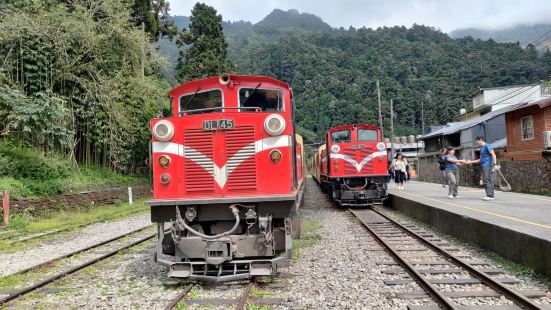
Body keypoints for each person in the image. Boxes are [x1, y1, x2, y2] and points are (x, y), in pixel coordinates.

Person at [467, 136, 497, 201]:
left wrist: (494, 164)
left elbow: (493, 154)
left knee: (486, 179)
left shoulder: (487, 146)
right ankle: (491, 195)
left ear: (480, 140)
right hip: (484, 165)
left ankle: (489, 195)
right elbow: (480, 159)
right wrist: (471, 161)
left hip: (488, 165)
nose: (477, 143)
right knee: (488, 179)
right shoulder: (482, 149)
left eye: (477, 141)